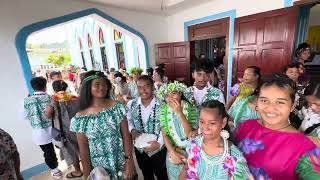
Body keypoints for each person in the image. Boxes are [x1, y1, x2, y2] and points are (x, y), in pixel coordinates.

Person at [235, 73, 320, 179]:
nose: (270, 108)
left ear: (292, 106)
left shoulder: (305, 147)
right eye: (264, 100)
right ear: (257, 101)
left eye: (280, 102)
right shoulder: (246, 126)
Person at [70, 71, 135, 179]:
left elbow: (126, 136)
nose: (102, 87)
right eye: (97, 84)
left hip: (121, 162)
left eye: (104, 84)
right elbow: (84, 150)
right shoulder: (80, 119)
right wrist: (87, 175)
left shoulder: (117, 108)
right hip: (100, 171)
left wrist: (129, 161)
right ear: (88, 87)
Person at [179, 100, 251, 180]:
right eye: (202, 122)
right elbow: (187, 170)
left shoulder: (233, 156)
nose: (206, 128)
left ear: (223, 122)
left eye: (212, 123)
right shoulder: (194, 144)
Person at [127, 75, 168, 180]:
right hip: (140, 149)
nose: (143, 90)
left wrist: (159, 143)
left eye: (146, 86)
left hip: (159, 149)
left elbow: (167, 125)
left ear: (153, 87)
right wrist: (132, 130)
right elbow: (128, 120)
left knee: (162, 175)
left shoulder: (163, 104)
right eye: (139, 87)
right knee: (146, 174)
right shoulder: (131, 104)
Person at [158, 81, 198, 180]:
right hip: (173, 151)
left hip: (191, 152)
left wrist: (179, 113)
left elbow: (190, 134)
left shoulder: (192, 109)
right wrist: (171, 152)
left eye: (174, 93)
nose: (170, 98)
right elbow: (165, 134)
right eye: (167, 95)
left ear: (180, 93)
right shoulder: (163, 110)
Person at [24, 77, 62, 179]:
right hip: (56, 128)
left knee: (48, 152)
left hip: (40, 132)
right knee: (63, 145)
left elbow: (23, 116)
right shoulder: (52, 98)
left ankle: (56, 171)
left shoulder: (27, 101)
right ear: (45, 86)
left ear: (32, 87)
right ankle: (71, 162)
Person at [44, 80, 82, 178]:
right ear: (66, 87)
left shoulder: (53, 101)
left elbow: (47, 115)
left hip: (64, 131)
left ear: (53, 89)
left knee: (71, 151)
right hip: (79, 128)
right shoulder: (74, 98)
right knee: (83, 148)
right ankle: (88, 168)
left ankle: (78, 171)